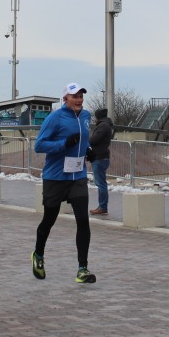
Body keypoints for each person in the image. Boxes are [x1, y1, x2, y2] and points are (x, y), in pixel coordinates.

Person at [31, 82, 96, 284]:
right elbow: (39, 145)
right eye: (74, 96)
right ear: (65, 99)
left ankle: (82, 269)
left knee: (83, 221)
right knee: (49, 219)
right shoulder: (54, 118)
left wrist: (89, 149)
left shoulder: (86, 116)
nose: (79, 100)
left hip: (77, 176)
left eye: (81, 96)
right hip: (56, 177)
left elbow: (83, 139)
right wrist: (64, 144)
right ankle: (38, 254)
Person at [88, 108, 114, 215]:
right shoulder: (106, 125)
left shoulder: (103, 125)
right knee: (101, 183)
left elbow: (94, 140)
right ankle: (102, 206)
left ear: (98, 116)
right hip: (101, 157)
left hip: (99, 157)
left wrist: (86, 138)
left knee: (101, 184)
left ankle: (102, 207)